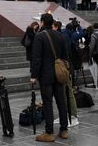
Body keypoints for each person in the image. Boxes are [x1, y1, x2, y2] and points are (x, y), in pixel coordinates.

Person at [30, 13, 69, 142]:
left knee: (47, 103)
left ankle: (49, 132)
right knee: (61, 101)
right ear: (52, 23)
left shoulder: (39, 37)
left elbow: (36, 58)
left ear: (42, 22)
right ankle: (64, 130)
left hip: (46, 75)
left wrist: (34, 75)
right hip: (59, 73)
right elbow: (65, 55)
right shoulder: (60, 35)